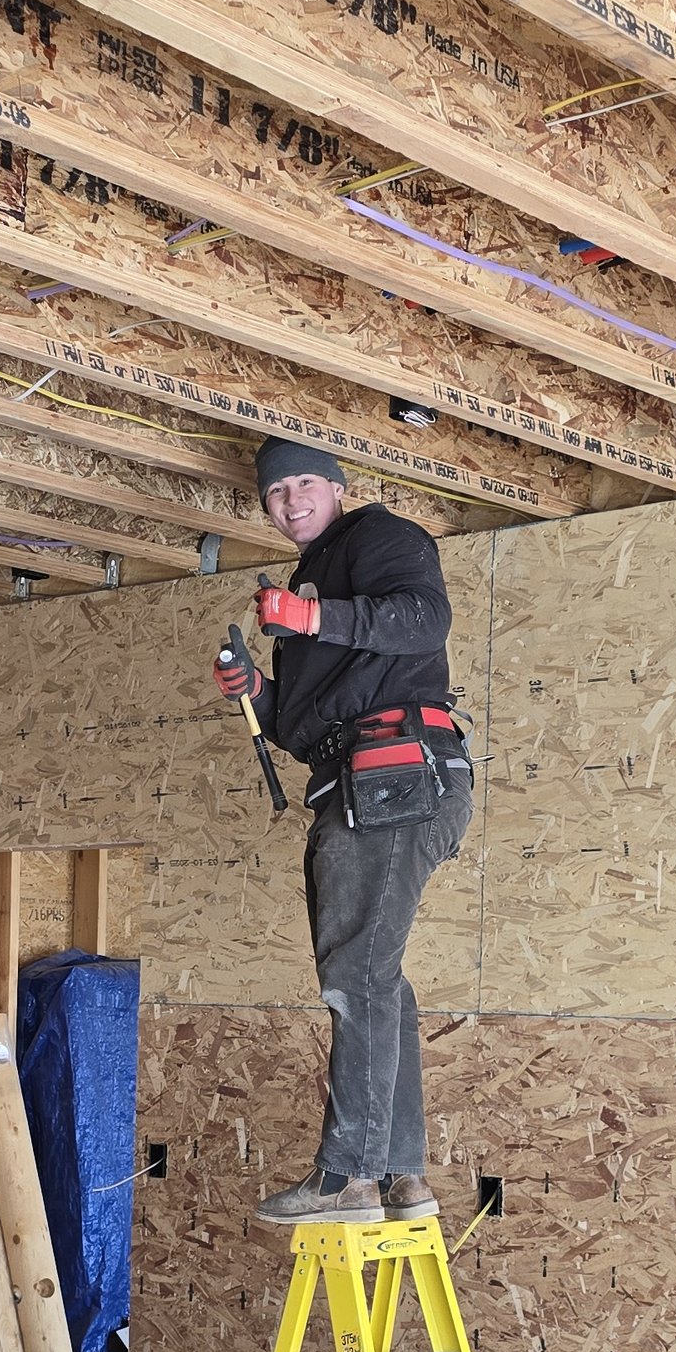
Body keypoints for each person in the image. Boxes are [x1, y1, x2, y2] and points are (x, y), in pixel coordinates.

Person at [213, 439, 471, 1226]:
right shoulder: (305, 581)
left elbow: (426, 617)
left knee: (357, 974)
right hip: (358, 783)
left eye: (303, 484)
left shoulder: (384, 538)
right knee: (377, 979)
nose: (289, 501)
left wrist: (311, 616)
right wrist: (258, 686)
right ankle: (400, 1175)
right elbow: (304, 728)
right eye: (274, 493)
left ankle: (348, 1178)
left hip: (396, 774)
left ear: (337, 486)